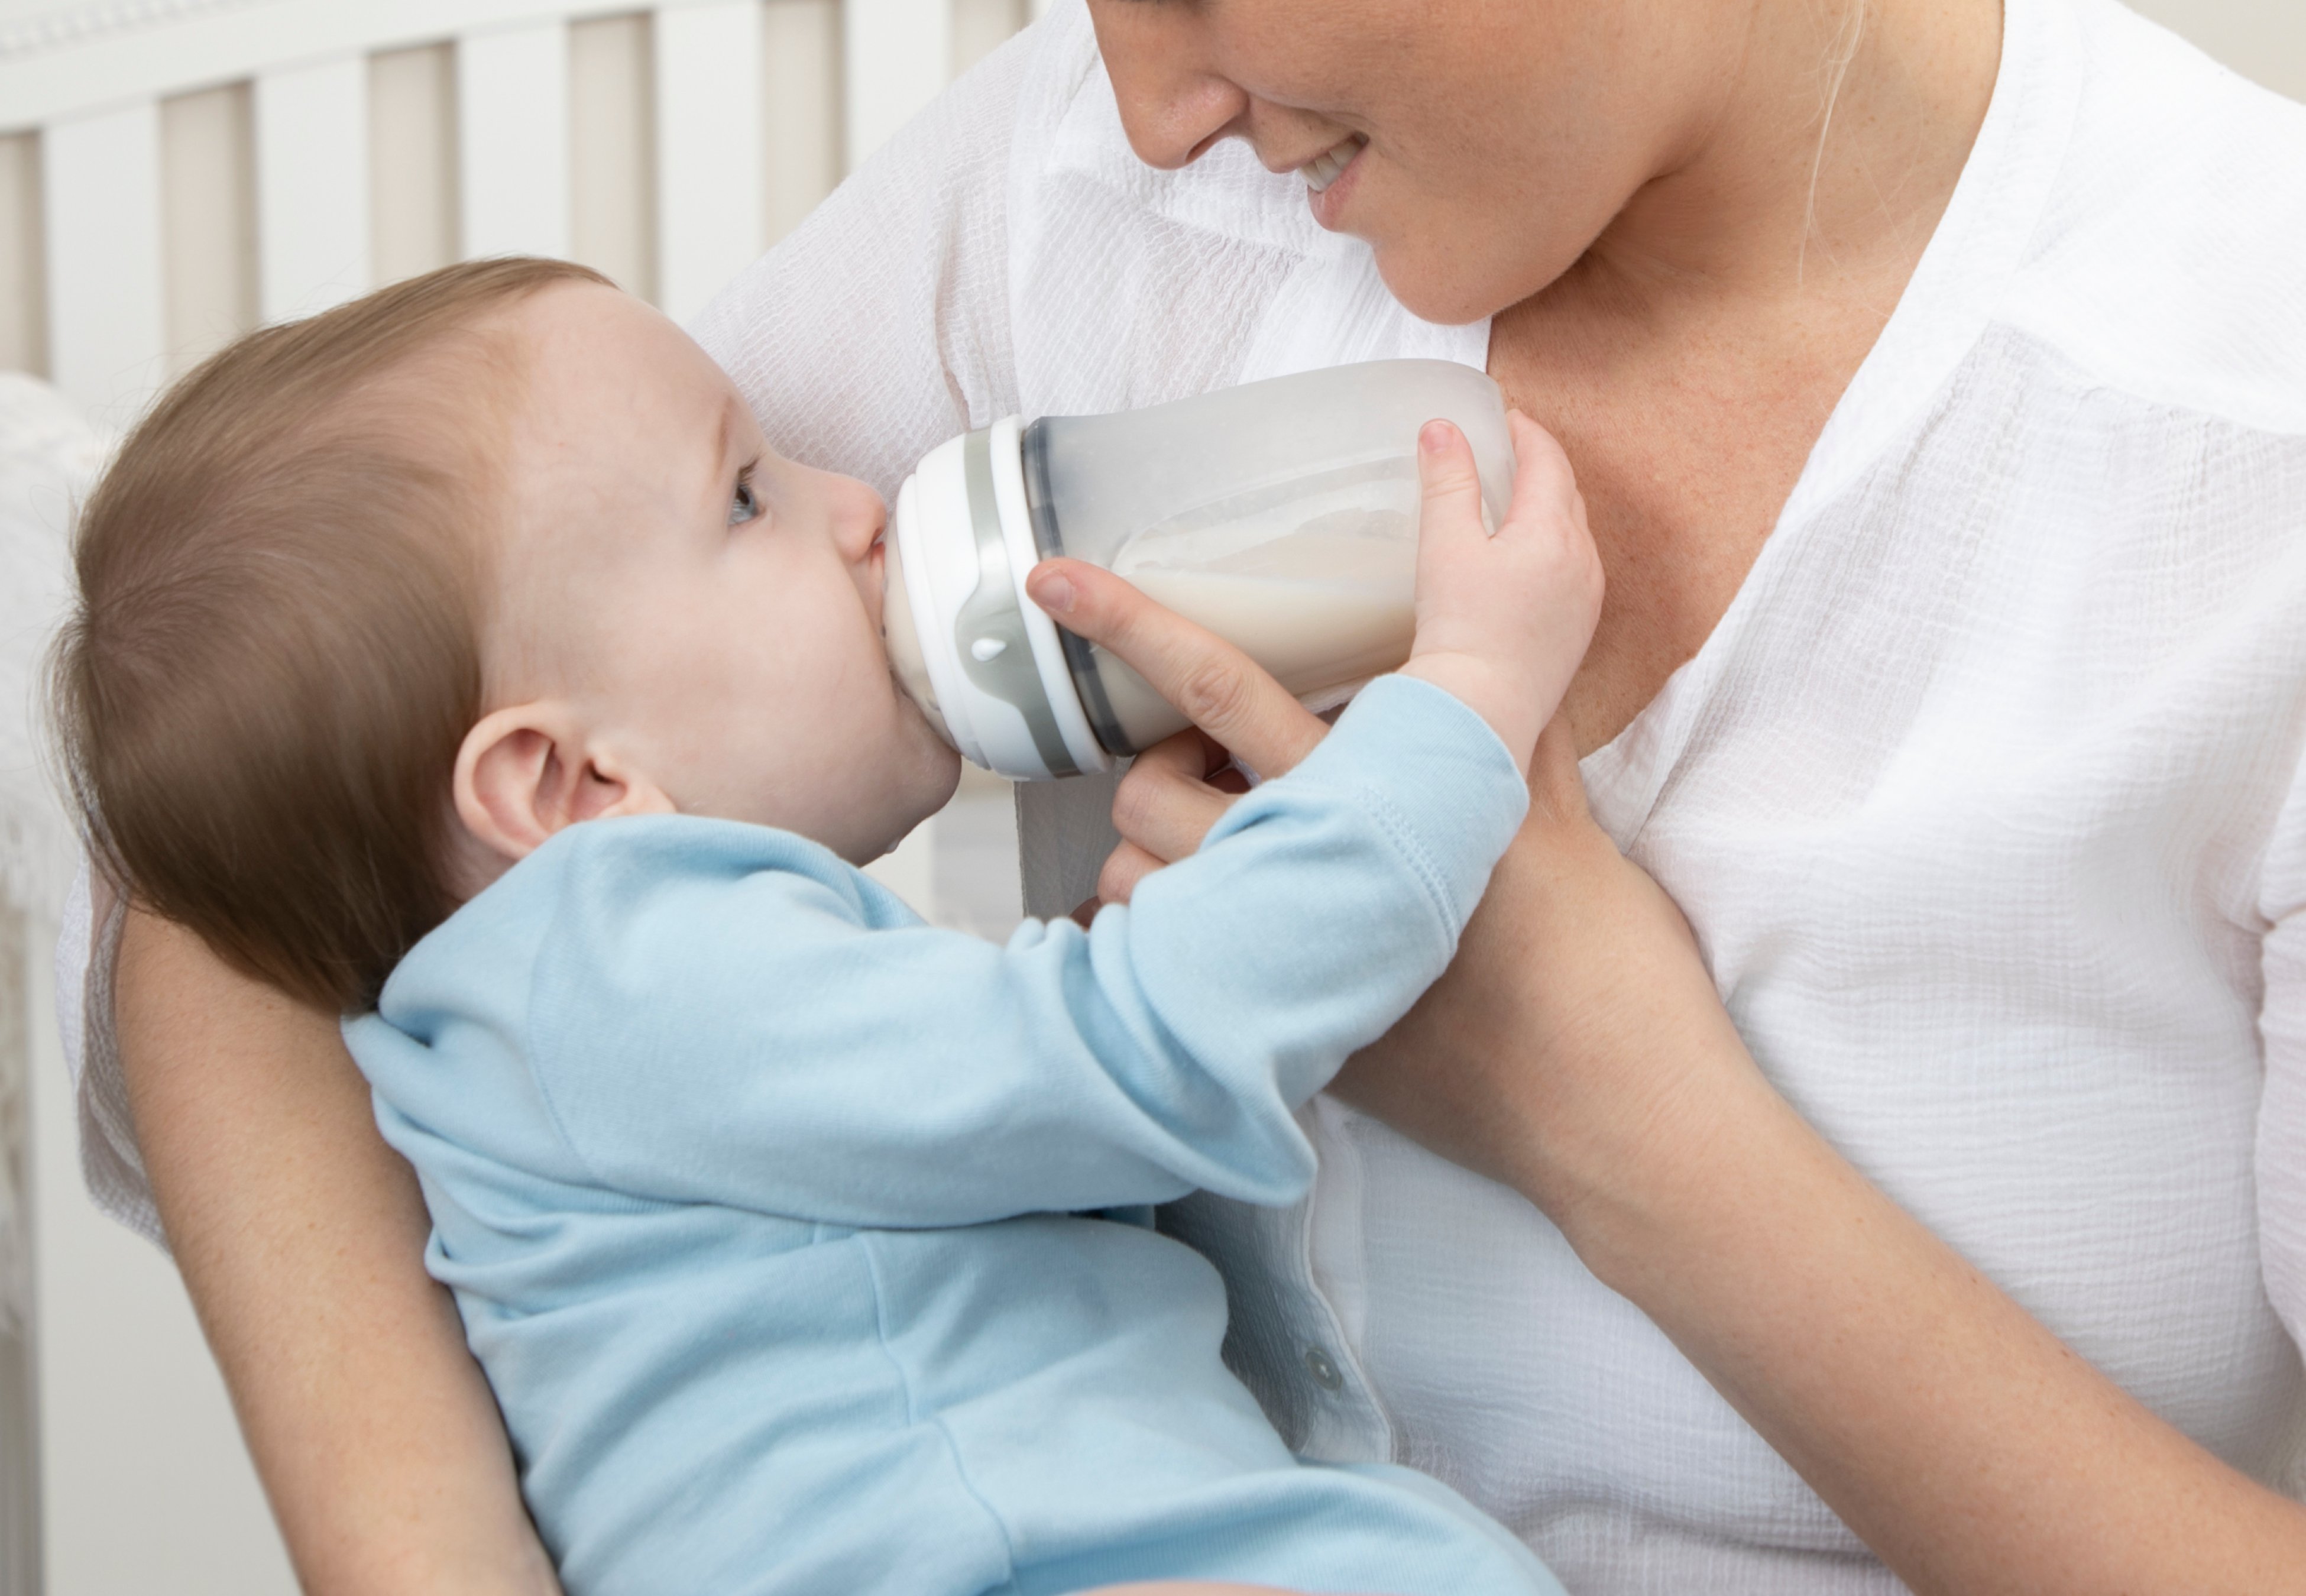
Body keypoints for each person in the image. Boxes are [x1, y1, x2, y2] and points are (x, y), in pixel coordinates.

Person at [63, 0, 2306, 1589]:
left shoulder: (2241, 450)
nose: (1146, 106)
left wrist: (1616, 1110)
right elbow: (287, 795)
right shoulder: (1102, 214)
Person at [55, 257, 1600, 1596]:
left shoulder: (532, 1031)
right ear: (563, 779)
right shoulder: (614, 961)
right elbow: (1134, 1057)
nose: (859, 506)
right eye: (748, 495)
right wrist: (1462, 705)